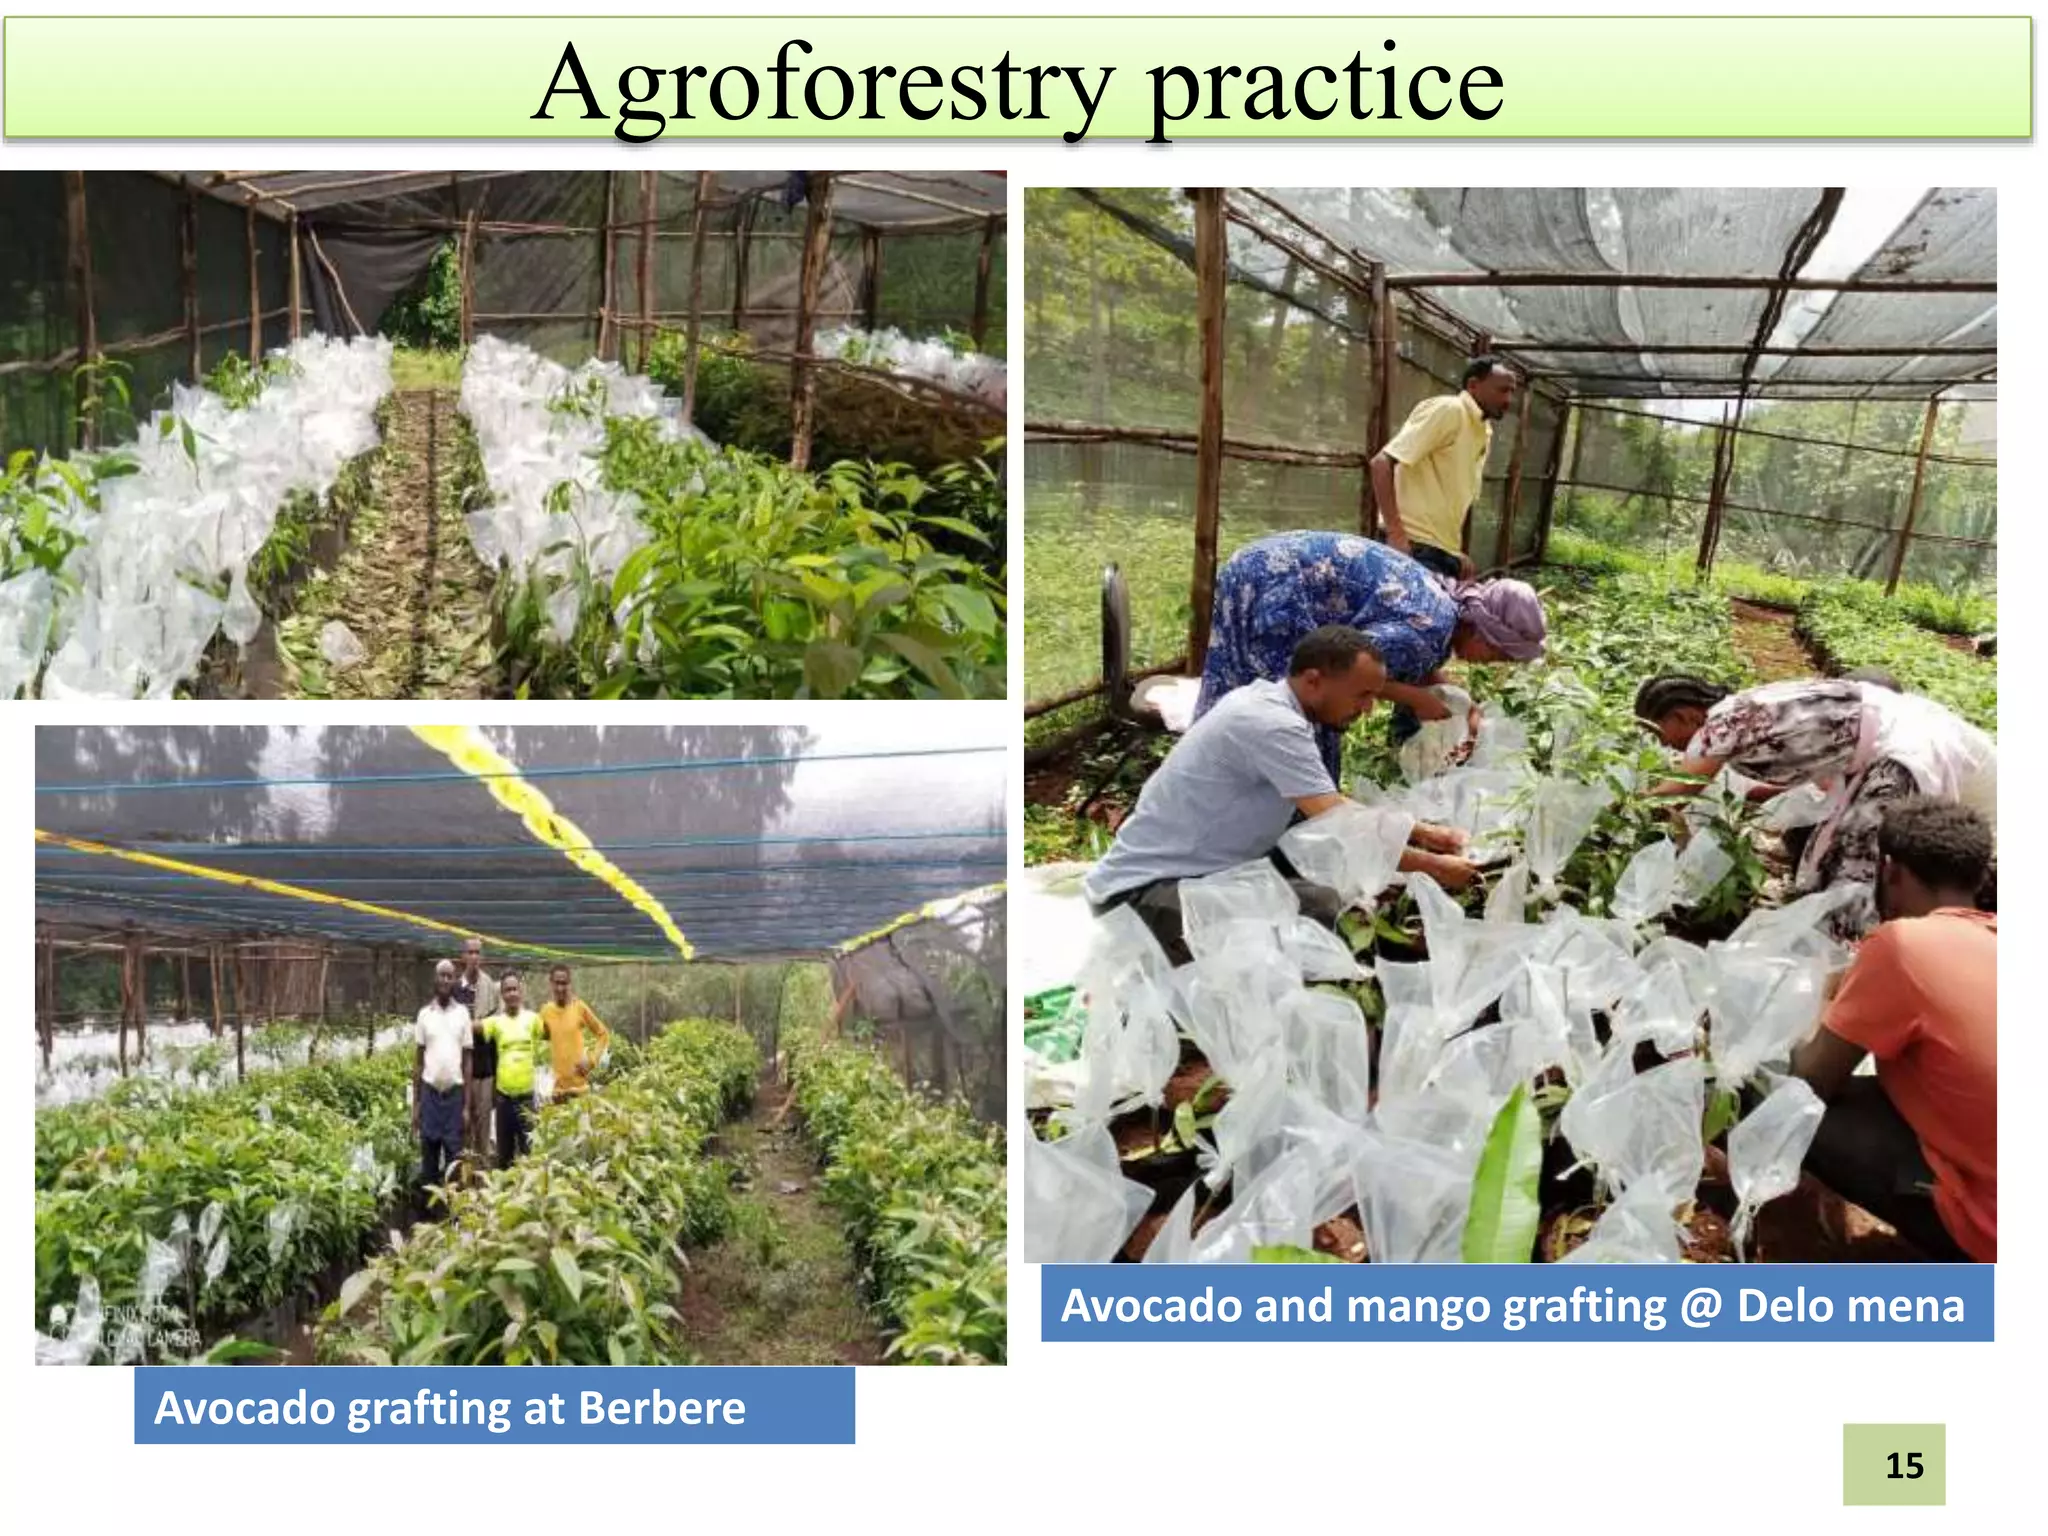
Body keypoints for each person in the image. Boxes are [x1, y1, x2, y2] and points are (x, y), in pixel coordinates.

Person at [1088, 625, 1480, 963]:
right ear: (1313, 681)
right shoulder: (1271, 724)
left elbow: (1329, 802)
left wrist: (1427, 834)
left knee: (1324, 884)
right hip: (1140, 898)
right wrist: (1438, 868)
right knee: (1320, 910)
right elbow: (1338, 823)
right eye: (1361, 695)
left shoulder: (1272, 706)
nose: (1369, 709)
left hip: (1204, 872)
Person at [1634, 673, 1995, 938]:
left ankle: (1844, 973)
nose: (1663, 747)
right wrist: (1757, 798)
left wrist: (1618, 809)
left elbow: (1679, 791)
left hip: (1909, 752)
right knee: (1835, 866)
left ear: (1683, 716)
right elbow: (1819, 753)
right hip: (1913, 736)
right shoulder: (1746, 709)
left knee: (1855, 880)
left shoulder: (1720, 726)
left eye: (1657, 732)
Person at [1790, 798, 1995, 1261]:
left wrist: (1822, 994)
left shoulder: (1903, 943)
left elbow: (1811, 1081)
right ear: (1979, 878)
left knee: (1780, 1104)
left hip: (1989, 1229)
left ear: (1891, 870)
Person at [1197, 529, 1547, 773]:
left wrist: (1461, 702)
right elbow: (1343, 674)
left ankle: (1211, 773)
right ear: (1482, 629)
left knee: (1244, 695)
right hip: (1279, 583)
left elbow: (1411, 662)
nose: (1491, 663)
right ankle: (1278, 817)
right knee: (1297, 707)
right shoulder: (1426, 629)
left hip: (1263, 564)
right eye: (1497, 654)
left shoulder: (1444, 610)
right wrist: (1415, 698)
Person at [1368, 355, 1518, 584]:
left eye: (1511, 392)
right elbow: (1381, 463)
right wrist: (1396, 534)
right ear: (1473, 385)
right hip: (1412, 548)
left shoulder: (1482, 429)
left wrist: (1453, 552)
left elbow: (1449, 495)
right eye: (1502, 390)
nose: (1508, 399)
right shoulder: (1450, 410)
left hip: (1437, 552)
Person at [411, 960, 473, 1201]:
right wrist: (416, 1105)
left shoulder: (462, 1014)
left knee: (454, 1161)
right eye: (441, 976)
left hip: (454, 1097)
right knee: (428, 1161)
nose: (446, 980)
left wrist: (467, 1106)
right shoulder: (424, 1015)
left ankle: (454, 1217)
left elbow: (468, 1061)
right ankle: (429, 1220)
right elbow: (418, 1062)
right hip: (430, 1096)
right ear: (435, 980)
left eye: (450, 976)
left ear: (454, 980)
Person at [477, 972, 545, 1168]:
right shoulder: (496, 1022)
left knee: (529, 1154)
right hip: (503, 1099)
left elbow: (552, 1032)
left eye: (515, 989)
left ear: (520, 992)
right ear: (502, 995)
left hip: (526, 1100)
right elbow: (472, 1028)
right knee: (504, 1156)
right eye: (507, 990)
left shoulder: (533, 1019)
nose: (512, 993)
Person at [451, 937, 500, 1164]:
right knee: (463, 1126)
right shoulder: (454, 991)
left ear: (482, 957)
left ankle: (482, 1184)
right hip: (459, 1073)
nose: (473, 957)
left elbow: (497, 1031)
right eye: (469, 952)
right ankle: (463, 1183)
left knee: (482, 1128)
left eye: (477, 952)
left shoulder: (490, 988)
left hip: (483, 1069)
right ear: (462, 957)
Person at [539, 964, 612, 1101]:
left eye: (564, 983)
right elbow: (544, 1036)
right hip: (557, 1093)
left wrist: (591, 1060)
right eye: (557, 983)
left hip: (580, 1091)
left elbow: (603, 1034)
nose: (560, 988)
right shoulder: (546, 1011)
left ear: (569, 984)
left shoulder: (579, 1007)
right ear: (551, 984)